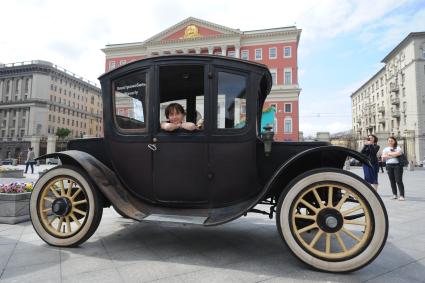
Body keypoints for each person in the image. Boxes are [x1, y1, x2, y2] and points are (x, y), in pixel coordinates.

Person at [382, 136, 405, 201]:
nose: (390, 142)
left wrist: (388, 154)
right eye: (389, 141)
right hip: (389, 166)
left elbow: (399, 153)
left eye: (392, 140)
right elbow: (383, 158)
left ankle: (402, 195)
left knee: (398, 180)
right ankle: (394, 194)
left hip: (397, 166)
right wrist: (393, 155)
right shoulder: (385, 149)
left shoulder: (398, 147)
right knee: (392, 181)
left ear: (394, 141)